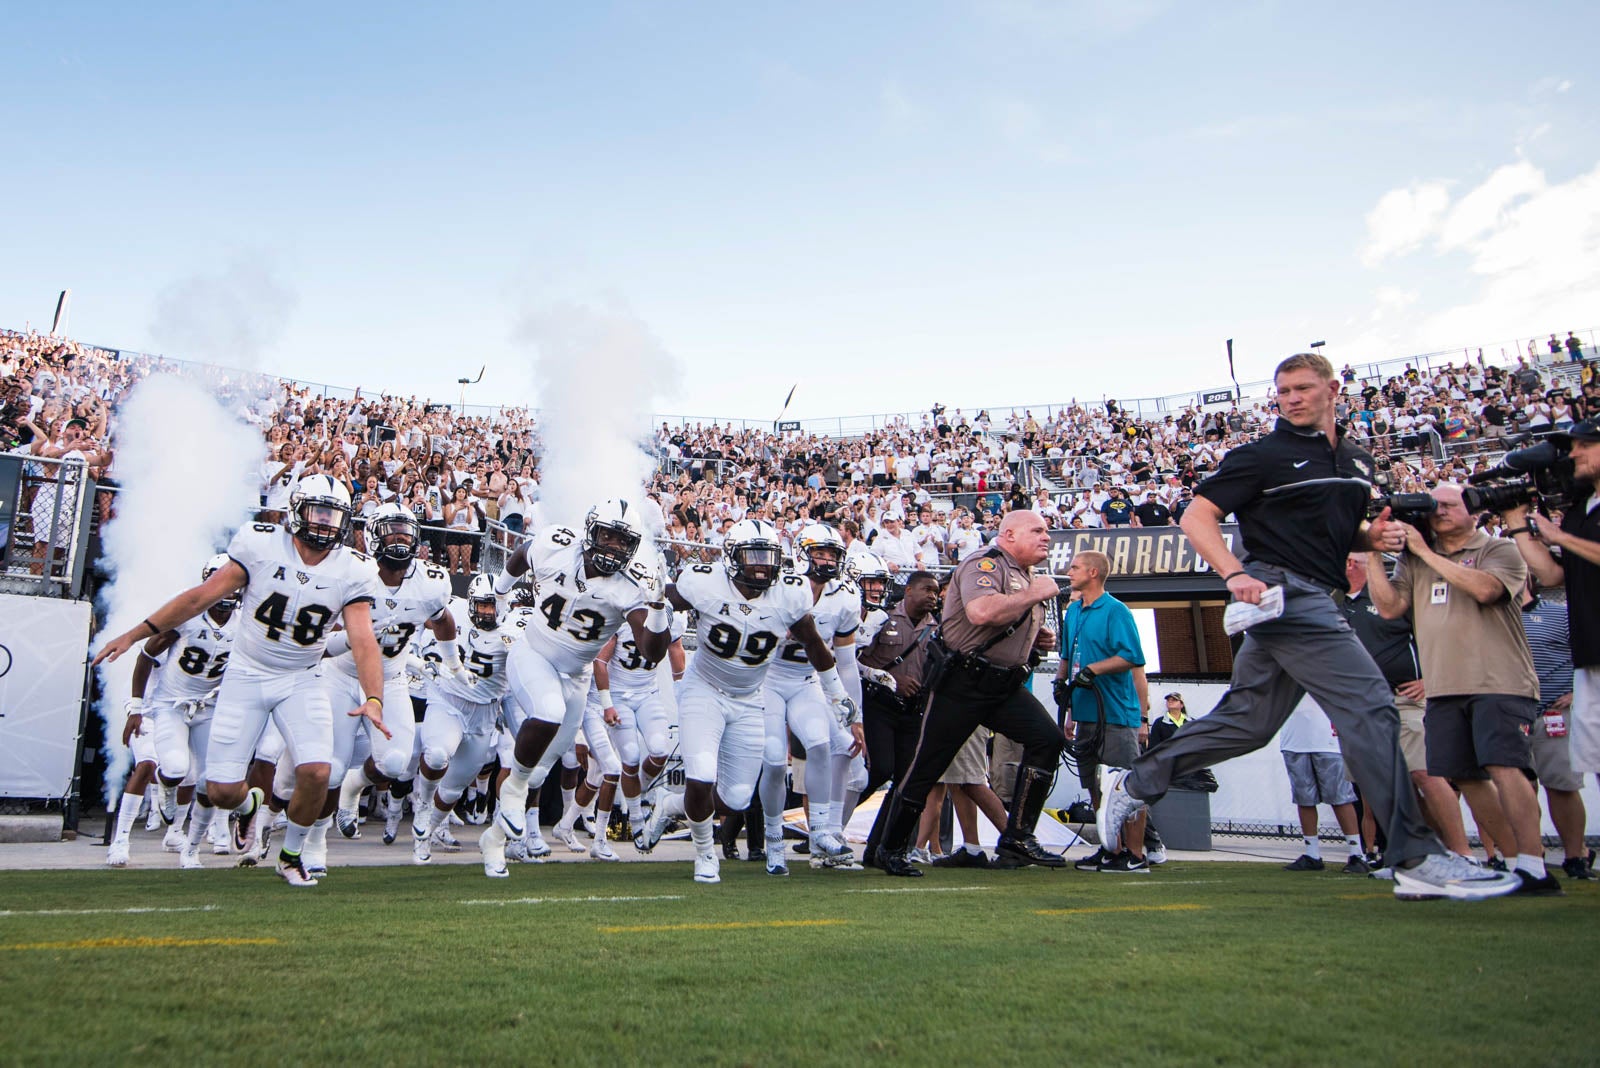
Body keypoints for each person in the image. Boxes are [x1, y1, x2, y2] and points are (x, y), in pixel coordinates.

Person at [1098, 352, 1519, 901]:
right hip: (1284, 591)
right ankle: (1415, 855)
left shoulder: (1358, 461)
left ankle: (1135, 781)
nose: (1291, 399)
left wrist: (1374, 540)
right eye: (1283, 391)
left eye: (1301, 388)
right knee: (1371, 704)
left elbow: (1339, 538)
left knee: (1249, 722)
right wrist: (1234, 573)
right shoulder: (1263, 455)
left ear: (1333, 389)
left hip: (1312, 591)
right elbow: (1195, 517)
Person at [93, 474, 387, 888]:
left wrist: (374, 696)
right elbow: (198, 598)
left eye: (333, 515)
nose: (324, 524)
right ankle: (248, 803)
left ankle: (291, 855)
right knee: (222, 793)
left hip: (302, 678)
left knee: (319, 772)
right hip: (247, 674)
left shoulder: (352, 568)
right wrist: (133, 633)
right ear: (296, 510)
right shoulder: (262, 545)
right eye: (318, 512)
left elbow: (363, 639)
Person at [1362, 483, 1558, 896]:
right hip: (1444, 686)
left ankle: (1535, 864)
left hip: (1498, 680)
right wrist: (1373, 554)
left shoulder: (1498, 549)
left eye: (1450, 504)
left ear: (1474, 512)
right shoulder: (1415, 561)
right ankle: (1510, 862)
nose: (1440, 511)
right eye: (1434, 506)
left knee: (1506, 768)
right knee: (1465, 777)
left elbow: (1488, 590)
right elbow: (1388, 607)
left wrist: (1427, 553)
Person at [638, 518, 857, 885]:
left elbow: (816, 647)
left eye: (767, 556)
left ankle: (669, 804)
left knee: (736, 799)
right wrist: (658, 604)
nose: (760, 564)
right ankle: (705, 854)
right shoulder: (704, 582)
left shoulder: (789, 593)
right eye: (752, 555)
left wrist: (836, 694)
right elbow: (654, 646)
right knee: (701, 776)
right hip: (704, 689)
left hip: (751, 697)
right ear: (731, 557)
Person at [479, 499, 670, 879]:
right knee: (546, 713)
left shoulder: (629, 587)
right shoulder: (556, 545)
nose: (614, 546)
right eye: (608, 536)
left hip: (577, 676)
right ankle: (512, 795)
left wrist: (658, 605)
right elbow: (519, 556)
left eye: (623, 541)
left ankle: (495, 840)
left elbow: (651, 651)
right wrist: (500, 594)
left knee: (539, 772)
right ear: (590, 531)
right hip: (533, 652)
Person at [874, 510, 1066, 877]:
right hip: (962, 683)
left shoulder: (1026, 575)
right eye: (1037, 530)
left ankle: (1018, 836)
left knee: (1047, 739)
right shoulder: (986, 563)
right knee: (926, 766)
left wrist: (1037, 637)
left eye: (1047, 530)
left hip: (1003, 684)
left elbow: (1008, 623)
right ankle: (892, 848)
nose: (1047, 537)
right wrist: (1032, 596)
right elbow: (980, 612)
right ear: (1008, 535)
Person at [328, 503, 459, 867]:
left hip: (392, 678)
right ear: (373, 536)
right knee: (331, 767)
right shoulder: (354, 573)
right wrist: (354, 639)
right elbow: (322, 641)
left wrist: (452, 663)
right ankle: (311, 846)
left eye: (405, 531)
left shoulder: (429, 582)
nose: (400, 538)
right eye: (392, 531)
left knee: (396, 762)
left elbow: (443, 620)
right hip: (342, 674)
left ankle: (354, 789)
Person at [1342, 554, 1473, 856]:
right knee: (1383, 783)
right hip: (1360, 706)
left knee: (1425, 774)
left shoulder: (1394, 599)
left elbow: (1444, 637)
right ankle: (1418, 854)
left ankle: (1462, 852)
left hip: (1404, 698)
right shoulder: (1333, 603)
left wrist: (1430, 678)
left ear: (1351, 563)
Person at [757, 523, 866, 875]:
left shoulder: (846, 595)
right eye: (819, 552)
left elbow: (846, 664)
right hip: (768, 679)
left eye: (832, 554)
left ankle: (820, 831)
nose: (826, 559)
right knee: (774, 760)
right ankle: (773, 841)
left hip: (808, 681)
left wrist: (854, 715)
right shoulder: (780, 584)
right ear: (803, 553)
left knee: (822, 744)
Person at [1503, 417, 1600, 802]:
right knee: (1596, 762)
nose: (1573, 454)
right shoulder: (1582, 508)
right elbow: (1555, 575)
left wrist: (1560, 537)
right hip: (1590, 653)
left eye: (1584, 445)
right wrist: (1518, 526)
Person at [133, 555, 239, 869]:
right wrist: (135, 706)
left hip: (210, 705)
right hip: (172, 703)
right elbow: (145, 656)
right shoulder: (189, 616)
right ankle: (165, 785)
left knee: (212, 781)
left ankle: (191, 848)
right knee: (177, 768)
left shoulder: (246, 620)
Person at [1054, 550, 1157, 873]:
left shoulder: (1116, 611)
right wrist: (1062, 688)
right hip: (1085, 714)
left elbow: (1132, 657)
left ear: (1094, 572)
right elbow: (1067, 656)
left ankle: (1136, 854)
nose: (1069, 572)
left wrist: (1095, 670)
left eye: (1075, 568)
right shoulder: (1073, 611)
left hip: (1115, 713)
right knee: (1095, 785)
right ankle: (1110, 847)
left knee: (1125, 787)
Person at [412, 574, 518, 864]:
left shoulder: (512, 628)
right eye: (483, 605)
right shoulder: (454, 611)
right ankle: (421, 804)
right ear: (470, 602)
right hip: (449, 700)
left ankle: (426, 835)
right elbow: (424, 623)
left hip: (485, 711)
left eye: (493, 605)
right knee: (436, 755)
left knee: (453, 789)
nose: (488, 612)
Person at [858, 569, 940, 865]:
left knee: (906, 781)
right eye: (927, 589)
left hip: (912, 710)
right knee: (879, 770)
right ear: (908, 591)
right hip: (880, 704)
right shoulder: (883, 618)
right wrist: (890, 679)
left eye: (935, 591)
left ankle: (881, 847)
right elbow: (854, 660)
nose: (933, 595)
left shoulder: (936, 627)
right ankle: (832, 823)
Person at [1517, 579, 1595, 880]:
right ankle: (1531, 856)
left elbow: (1588, 655)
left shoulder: (1559, 613)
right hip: (1510, 713)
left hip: (1552, 712)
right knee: (1520, 788)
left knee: (1561, 785)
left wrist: (1578, 692)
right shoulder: (1491, 617)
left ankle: (1575, 856)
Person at [1276, 696, 1370, 874]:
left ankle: (1357, 854)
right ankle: (1312, 854)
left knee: (1340, 798)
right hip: (1294, 740)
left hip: (1327, 739)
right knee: (1304, 799)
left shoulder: (1328, 668)